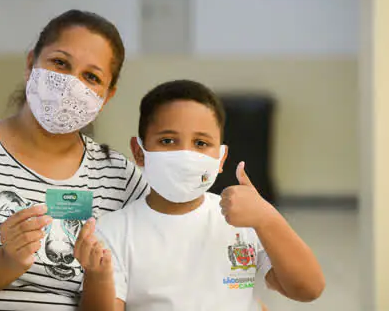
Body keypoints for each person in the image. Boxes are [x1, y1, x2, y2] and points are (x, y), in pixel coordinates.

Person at [0, 9, 149, 311]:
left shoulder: (121, 180)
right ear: (30, 64)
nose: (71, 84)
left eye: (91, 77)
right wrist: (6, 260)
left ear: (107, 95)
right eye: (60, 63)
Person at [76, 80, 325, 311]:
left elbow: (308, 289)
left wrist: (268, 218)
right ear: (139, 152)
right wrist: (98, 278)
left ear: (221, 158)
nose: (185, 156)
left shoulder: (247, 223)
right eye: (168, 140)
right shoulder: (112, 232)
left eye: (201, 144)